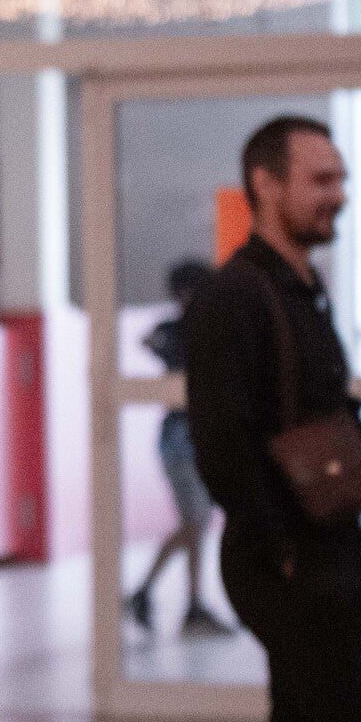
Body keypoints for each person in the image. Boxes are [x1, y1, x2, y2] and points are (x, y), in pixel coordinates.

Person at [183, 116, 361, 722]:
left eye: (341, 180)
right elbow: (221, 441)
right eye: (321, 180)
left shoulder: (303, 288)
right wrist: (280, 549)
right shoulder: (232, 297)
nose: (338, 195)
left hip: (328, 547)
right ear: (266, 184)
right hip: (289, 561)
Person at [127, 260, 233, 636]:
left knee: (194, 524)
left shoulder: (178, 331)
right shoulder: (194, 331)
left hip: (184, 438)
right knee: (195, 523)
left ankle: (156, 595)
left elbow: (149, 341)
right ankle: (187, 604)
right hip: (185, 439)